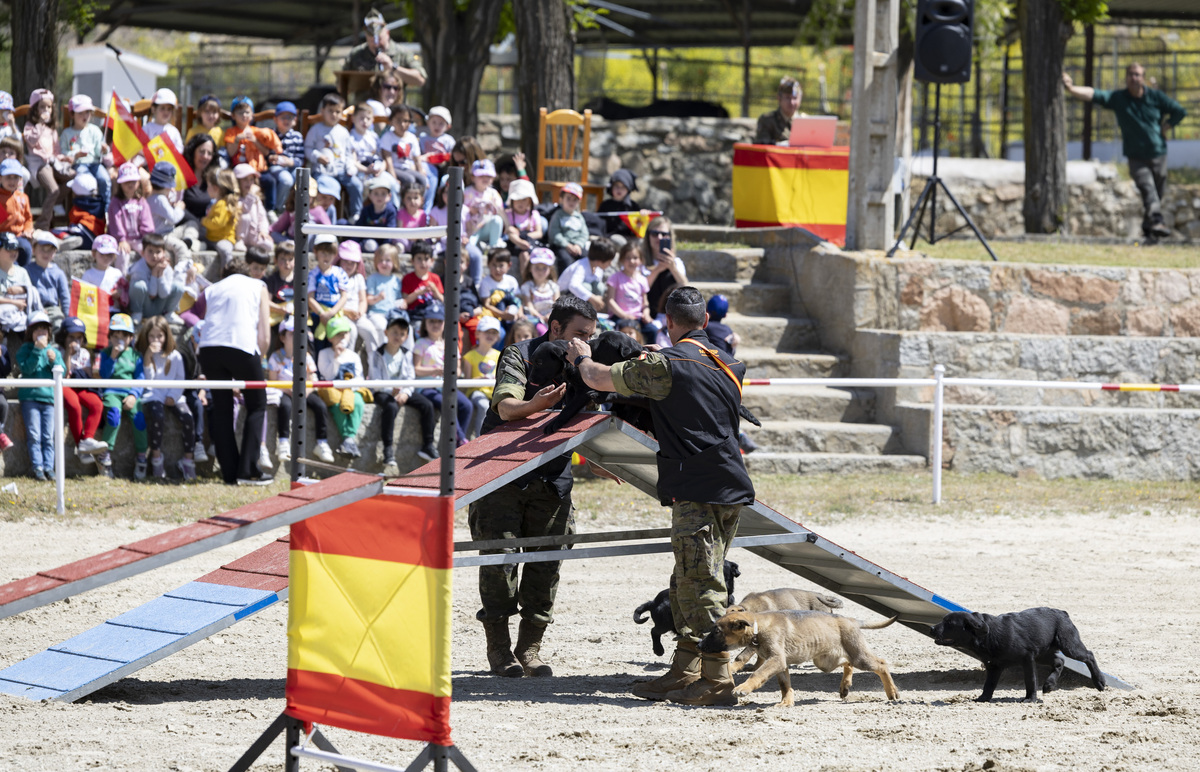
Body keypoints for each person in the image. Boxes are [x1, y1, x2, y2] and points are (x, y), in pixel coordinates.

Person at [568, 285, 755, 706]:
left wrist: (580, 356)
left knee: (702, 587)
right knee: (687, 582)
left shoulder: (666, 364)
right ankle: (684, 670)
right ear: (706, 322)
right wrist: (657, 356)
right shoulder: (728, 362)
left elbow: (598, 377)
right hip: (728, 485)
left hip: (697, 487)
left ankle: (719, 681)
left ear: (668, 322)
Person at [468, 295, 601, 678]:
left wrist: (599, 459)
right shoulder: (520, 355)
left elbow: (590, 418)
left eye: (590, 337)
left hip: (553, 478)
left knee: (546, 563)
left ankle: (530, 649)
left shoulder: (585, 364)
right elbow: (507, 407)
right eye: (578, 334)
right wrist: (535, 404)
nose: (584, 344)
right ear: (555, 328)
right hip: (502, 475)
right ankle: (499, 651)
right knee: (500, 563)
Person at [1063, 64, 1187, 240]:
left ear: (1143, 77)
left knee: (1157, 194)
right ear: (1126, 77)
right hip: (1136, 156)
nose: (1134, 78)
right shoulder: (1119, 98)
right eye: (1130, 74)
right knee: (1148, 188)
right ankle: (1157, 221)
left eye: (1137, 75)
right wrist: (1072, 88)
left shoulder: (1155, 97)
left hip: (1158, 153)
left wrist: (1166, 126)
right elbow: (1094, 94)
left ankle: (1148, 228)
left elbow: (1180, 111)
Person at [197, 254, 272, 485]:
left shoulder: (213, 289)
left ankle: (230, 473)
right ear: (247, 272)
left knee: (222, 408)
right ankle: (248, 470)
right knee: (257, 405)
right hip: (241, 345)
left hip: (209, 348)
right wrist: (262, 358)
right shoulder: (258, 285)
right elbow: (265, 334)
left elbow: (196, 315)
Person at [368, 313, 438, 471]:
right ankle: (387, 450)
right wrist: (390, 390)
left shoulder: (406, 354)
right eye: (394, 332)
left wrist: (405, 393)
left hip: (401, 390)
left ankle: (428, 444)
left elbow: (409, 377)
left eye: (402, 334)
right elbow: (375, 380)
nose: (398, 336)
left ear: (406, 336)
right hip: (383, 392)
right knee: (390, 406)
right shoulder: (376, 354)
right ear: (386, 332)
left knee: (427, 404)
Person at [136, 315, 196, 481]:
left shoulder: (175, 356)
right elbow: (149, 381)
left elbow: (180, 378)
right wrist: (148, 357)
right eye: (152, 336)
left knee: (187, 417)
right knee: (157, 416)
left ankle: (188, 460)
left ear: (166, 336)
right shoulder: (144, 355)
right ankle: (156, 457)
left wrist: (173, 395)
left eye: (159, 336)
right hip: (153, 394)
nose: (156, 340)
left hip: (173, 394)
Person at [269, 315, 334, 465]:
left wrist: (304, 392)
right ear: (282, 337)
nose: (297, 337)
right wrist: (288, 390)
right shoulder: (275, 356)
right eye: (292, 334)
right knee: (285, 406)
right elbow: (273, 381)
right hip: (284, 391)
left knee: (320, 406)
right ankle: (283, 442)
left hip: (304, 391)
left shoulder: (306, 356)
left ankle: (322, 442)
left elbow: (312, 379)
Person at [96, 313, 147, 479]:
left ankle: (141, 456)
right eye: (115, 335)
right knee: (113, 416)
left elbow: (140, 377)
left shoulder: (136, 356)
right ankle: (104, 455)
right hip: (111, 391)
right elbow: (103, 375)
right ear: (110, 337)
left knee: (139, 419)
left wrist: (133, 395)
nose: (119, 339)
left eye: (124, 336)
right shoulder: (105, 354)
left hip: (130, 393)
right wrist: (112, 358)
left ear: (131, 338)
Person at [58, 315, 109, 466]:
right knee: (74, 406)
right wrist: (68, 353)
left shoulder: (85, 353)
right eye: (71, 337)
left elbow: (86, 375)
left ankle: (87, 439)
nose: (75, 341)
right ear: (64, 336)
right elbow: (65, 375)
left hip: (80, 386)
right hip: (65, 385)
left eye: (79, 337)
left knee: (97, 404)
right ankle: (80, 446)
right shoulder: (58, 351)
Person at [16, 311, 60, 480]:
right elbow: (26, 369)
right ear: (30, 333)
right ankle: (38, 468)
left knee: (49, 436)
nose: (41, 334)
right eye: (37, 330)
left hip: (49, 400)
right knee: (34, 435)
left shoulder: (53, 351)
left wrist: (54, 360)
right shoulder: (25, 350)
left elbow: (60, 371)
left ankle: (50, 467)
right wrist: (36, 351)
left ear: (49, 333)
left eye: (44, 330)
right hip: (30, 399)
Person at [304, 93, 360, 222]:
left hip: (341, 170)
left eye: (337, 111)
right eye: (330, 111)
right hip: (322, 171)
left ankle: (355, 215)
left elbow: (348, 153)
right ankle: (324, 220)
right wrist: (318, 156)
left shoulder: (343, 131)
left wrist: (350, 167)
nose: (334, 115)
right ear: (322, 111)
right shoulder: (316, 130)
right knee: (327, 187)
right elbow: (308, 148)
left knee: (356, 184)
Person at [316, 315, 366, 458]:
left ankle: (348, 439)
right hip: (333, 390)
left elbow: (359, 377)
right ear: (330, 337)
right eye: (338, 334)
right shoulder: (324, 354)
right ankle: (348, 439)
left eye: (345, 333)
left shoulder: (353, 356)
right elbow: (327, 375)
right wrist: (336, 359)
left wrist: (348, 388)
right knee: (337, 404)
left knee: (357, 402)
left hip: (350, 390)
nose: (342, 337)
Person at [344, 9, 428, 95]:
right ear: (366, 36)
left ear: (387, 33)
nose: (376, 44)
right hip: (365, 106)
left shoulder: (402, 53)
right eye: (372, 40)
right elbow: (342, 85)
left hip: (394, 106)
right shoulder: (356, 54)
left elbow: (420, 80)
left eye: (379, 39)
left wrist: (393, 67)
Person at [224, 97, 282, 212]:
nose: (244, 115)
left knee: (270, 181)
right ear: (233, 116)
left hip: (258, 169)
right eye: (240, 112)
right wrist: (236, 140)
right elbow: (230, 153)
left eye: (247, 112)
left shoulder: (258, 132)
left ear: (252, 115)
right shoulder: (231, 132)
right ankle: (235, 207)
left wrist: (255, 141)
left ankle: (270, 210)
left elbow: (266, 153)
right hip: (240, 168)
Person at [23, 89, 66, 231]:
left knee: (71, 179)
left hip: (53, 163)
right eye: (42, 106)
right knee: (54, 190)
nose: (46, 110)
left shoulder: (52, 130)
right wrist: (40, 125)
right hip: (40, 165)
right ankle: (43, 224)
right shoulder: (30, 126)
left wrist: (65, 158)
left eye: (48, 107)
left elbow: (56, 151)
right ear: (35, 109)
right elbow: (31, 141)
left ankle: (58, 205)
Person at [61, 94, 111, 212]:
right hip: (78, 165)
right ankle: (88, 210)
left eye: (87, 112)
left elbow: (100, 153)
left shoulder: (95, 130)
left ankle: (105, 210)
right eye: (80, 113)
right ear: (72, 114)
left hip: (95, 164)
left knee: (104, 179)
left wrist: (104, 150)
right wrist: (76, 155)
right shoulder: (66, 133)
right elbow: (64, 153)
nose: (85, 116)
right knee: (87, 183)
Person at [605, 238, 656, 343]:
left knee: (652, 330)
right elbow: (610, 301)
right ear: (622, 259)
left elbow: (645, 302)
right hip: (620, 316)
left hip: (637, 317)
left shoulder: (642, 279)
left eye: (635, 258)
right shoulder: (615, 278)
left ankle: (650, 355)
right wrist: (624, 315)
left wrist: (646, 313)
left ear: (641, 260)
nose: (632, 261)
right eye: (628, 258)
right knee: (624, 331)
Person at [128, 234, 183, 327]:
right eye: (150, 251)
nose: (154, 255)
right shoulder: (138, 268)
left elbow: (164, 294)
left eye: (158, 252)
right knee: (138, 285)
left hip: (161, 305)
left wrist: (160, 274)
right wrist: (154, 274)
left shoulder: (167, 268)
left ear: (164, 253)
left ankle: (169, 314)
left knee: (178, 286)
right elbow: (152, 294)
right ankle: (136, 313)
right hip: (145, 306)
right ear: (142, 252)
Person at [109, 162, 155, 271]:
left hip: (139, 239)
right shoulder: (115, 202)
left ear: (138, 183)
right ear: (120, 183)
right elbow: (115, 221)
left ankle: (148, 276)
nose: (130, 184)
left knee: (149, 252)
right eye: (126, 182)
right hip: (122, 240)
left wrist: (147, 239)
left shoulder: (141, 201)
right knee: (122, 254)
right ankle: (121, 281)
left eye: (133, 181)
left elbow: (146, 221)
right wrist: (121, 239)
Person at [463, 315, 501, 438]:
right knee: (484, 405)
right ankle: (480, 437)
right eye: (487, 331)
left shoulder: (499, 355)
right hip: (476, 392)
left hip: (494, 393)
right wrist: (480, 380)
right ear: (478, 333)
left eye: (493, 332)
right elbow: (466, 382)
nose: (490, 335)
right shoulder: (470, 356)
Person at [147, 161, 191, 264]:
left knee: (191, 225)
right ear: (167, 186)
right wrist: (179, 208)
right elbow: (174, 218)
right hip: (161, 236)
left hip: (168, 231)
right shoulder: (160, 199)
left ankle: (190, 240)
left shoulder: (153, 197)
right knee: (181, 247)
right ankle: (182, 271)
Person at [558, 236, 616, 314]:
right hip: (565, 296)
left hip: (583, 299)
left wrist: (598, 298)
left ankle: (590, 314)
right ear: (599, 261)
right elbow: (573, 285)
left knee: (599, 287)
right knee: (586, 287)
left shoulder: (598, 269)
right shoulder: (581, 266)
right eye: (609, 261)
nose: (610, 264)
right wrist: (593, 298)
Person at [643, 215, 686, 316]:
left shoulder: (677, 262)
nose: (659, 237)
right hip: (647, 313)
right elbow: (638, 290)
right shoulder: (639, 261)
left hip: (672, 314)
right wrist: (657, 270)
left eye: (664, 234)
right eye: (654, 234)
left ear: (670, 237)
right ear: (648, 236)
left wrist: (672, 268)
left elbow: (686, 289)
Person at [26, 230, 69, 332]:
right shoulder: (27, 270)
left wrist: (67, 316)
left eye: (50, 250)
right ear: (34, 250)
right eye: (42, 249)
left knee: (58, 325)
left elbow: (65, 297)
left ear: (55, 252)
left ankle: (54, 347)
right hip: (34, 309)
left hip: (53, 309)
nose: (46, 253)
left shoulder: (58, 273)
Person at [547, 182, 590, 275]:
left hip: (577, 246)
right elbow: (554, 233)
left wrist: (578, 245)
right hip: (562, 246)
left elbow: (584, 233)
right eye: (568, 198)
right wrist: (567, 245)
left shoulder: (579, 217)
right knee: (565, 260)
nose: (571, 202)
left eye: (575, 200)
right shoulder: (558, 215)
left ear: (579, 202)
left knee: (587, 258)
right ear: (561, 199)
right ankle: (565, 285)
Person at [202, 167, 241, 269]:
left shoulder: (222, 204)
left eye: (208, 186)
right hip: (212, 238)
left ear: (216, 188)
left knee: (224, 249)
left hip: (224, 239)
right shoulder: (218, 203)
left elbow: (218, 223)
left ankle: (228, 271)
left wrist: (204, 221)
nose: (207, 189)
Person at [269, 102, 304, 209]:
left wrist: (290, 162)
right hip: (276, 167)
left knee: (302, 179)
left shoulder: (297, 137)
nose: (286, 120)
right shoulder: (270, 135)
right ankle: (278, 209)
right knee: (286, 180)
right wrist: (273, 158)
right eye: (283, 117)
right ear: (275, 119)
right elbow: (267, 155)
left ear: (295, 120)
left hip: (292, 167)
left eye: (290, 117)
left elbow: (300, 159)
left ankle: (297, 210)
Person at [0, 231, 34, 339]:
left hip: (21, 311)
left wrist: (22, 290)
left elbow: (31, 292)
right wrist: (13, 302)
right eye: (9, 248)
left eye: (16, 249)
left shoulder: (22, 271)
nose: (14, 252)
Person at [465, 159, 505, 249]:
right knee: (469, 245)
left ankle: (493, 246)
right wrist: (470, 210)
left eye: (488, 176)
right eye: (481, 176)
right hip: (471, 230)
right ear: (472, 177)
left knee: (497, 220)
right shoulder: (466, 192)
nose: (485, 178)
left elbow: (500, 211)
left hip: (486, 228)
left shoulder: (493, 193)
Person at [0, 158, 33, 266]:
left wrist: (28, 230)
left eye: (16, 178)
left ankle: (23, 274)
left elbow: (28, 218)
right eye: (8, 177)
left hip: (19, 235)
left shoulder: (23, 197)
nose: (12, 181)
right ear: (0, 178)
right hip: (2, 236)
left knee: (26, 249)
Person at [519, 247, 559, 333]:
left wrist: (549, 316)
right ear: (530, 268)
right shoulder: (527, 286)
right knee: (542, 331)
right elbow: (529, 306)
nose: (540, 271)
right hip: (535, 319)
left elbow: (557, 305)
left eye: (544, 268)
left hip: (551, 319)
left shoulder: (553, 286)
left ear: (550, 269)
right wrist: (541, 317)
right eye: (537, 267)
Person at [597, 169, 642, 245]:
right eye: (617, 186)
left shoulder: (633, 206)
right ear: (611, 187)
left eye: (623, 187)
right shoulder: (605, 205)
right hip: (611, 239)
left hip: (630, 239)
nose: (619, 190)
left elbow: (639, 227)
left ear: (628, 189)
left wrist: (643, 217)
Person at [233, 163, 271, 251]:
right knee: (245, 216)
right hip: (239, 235)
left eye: (251, 179)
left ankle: (253, 246)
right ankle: (240, 241)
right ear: (237, 181)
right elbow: (244, 210)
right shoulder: (235, 198)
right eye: (245, 180)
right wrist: (250, 195)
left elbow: (262, 217)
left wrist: (263, 231)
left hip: (254, 236)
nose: (249, 183)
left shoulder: (256, 199)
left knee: (268, 246)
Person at [754, 76, 802, 145]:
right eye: (787, 98)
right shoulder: (768, 120)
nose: (792, 102)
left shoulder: (805, 121)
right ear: (779, 98)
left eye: (795, 98)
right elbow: (761, 145)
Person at [357, 175, 399, 253]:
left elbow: (391, 231)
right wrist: (355, 244)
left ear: (389, 196)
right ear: (369, 195)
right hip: (368, 242)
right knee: (370, 244)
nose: (379, 197)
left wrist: (385, 248)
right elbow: (359, 227)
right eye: (376, 193)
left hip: (385, 243)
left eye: (383, 193)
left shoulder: (391, 211)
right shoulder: (366, 210)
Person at [66, 171, 106, 250]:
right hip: (97, 238)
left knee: (53, 231)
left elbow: (73, 221)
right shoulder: (101, 203)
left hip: (84, 235)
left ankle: (66, 238)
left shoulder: (78, 206)